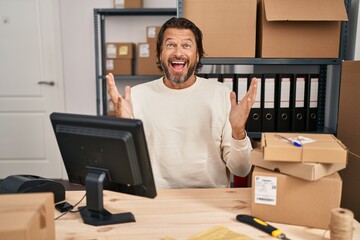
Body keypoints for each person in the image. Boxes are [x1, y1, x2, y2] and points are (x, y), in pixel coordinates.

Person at [106, 17, 258, 189]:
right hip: (154, 199)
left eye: (186, 45)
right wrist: (124, 128)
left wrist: (238, 132)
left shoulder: (220, 94)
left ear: (197, 55)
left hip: (210, 200)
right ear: (160, 54)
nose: (178, 53)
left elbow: (241, 170)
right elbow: (124, 171)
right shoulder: (136, 95)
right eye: (170, 45)